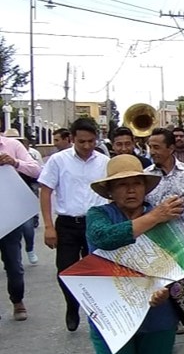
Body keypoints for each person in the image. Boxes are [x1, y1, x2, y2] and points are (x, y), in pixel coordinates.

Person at [85, 155, 184, 354]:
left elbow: (182, 257)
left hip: (157, 315)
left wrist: (166, 288)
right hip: (110, 314)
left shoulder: (167, 214)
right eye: (122, 185)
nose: (131, 190)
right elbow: (106, 239)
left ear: (145, 186)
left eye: (136, 182)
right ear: (110, 191)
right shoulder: (98, 215)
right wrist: (154, 217)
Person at [39, 118, 110, 332]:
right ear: (72, 139)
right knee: (65, 269)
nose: (87, 146)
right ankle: (72, 304)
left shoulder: (104, 162)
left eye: (91, 141)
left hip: (96, 221)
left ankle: (98, 311)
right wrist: (48, 226)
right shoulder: (58, 161)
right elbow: (45, 191)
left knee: (98, 270)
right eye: (82, 142)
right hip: (68, 223)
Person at [0, 128, 41, 321]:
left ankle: (18, 301)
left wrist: (14, 162)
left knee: (13, 264)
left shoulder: (13, 145)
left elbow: (36, 170)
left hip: (9, 214)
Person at [5, 128, 40, 265]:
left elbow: (37, 170)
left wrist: (15, 162)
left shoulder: (16, 148)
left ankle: (29, 250)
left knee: (27, 227)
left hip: (20, 197)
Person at [144, 128, 184, 204]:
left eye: (156, 147)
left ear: (171, 148)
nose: (152, 152)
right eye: (150, 147)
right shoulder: (145, 175)